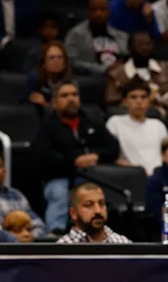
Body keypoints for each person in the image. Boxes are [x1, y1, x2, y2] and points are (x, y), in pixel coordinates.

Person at [33, 80, 120, 232]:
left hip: (93, 176)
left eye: (74, 94)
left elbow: (113, 148)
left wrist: (96, 157)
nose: (71, 99)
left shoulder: (92, 123)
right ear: (54, 102)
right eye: (65, 95)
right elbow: (43, 156)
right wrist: (74, 161)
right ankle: (55, 233)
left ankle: (106, 233)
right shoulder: (47, 127)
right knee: (59, 192)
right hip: (60, 176)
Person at [0, 148, 45, 240]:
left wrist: (28, 235)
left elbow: (39, 226)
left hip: (22, 249)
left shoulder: (16, 195)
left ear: (4, 172)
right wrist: (10, 238)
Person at [105, 31, 168, 110]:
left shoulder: (167, 67)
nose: (145, 47)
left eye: (148, 44)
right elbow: (111, 100)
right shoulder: (117, 73)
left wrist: (163, 104)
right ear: (130, 47)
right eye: (140, 44)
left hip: (167, 111)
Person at [106, 80, 168, 174]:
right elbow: (112, 155)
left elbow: (167, 154)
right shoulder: (115, 122)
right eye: (133, 97)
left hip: (159, 176)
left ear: (149, 101)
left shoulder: (158, 125)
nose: (139, 101)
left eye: (143, 97)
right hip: (132, 175)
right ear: (125, 101)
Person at [65, 0, 128, 75]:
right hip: (90, 80)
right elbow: (71, 62)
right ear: (88, 12)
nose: (98, 13)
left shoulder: (121, 36)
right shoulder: (76, 34)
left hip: (118, 78)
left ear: (109, 12)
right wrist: (103, 69)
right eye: (94, 10)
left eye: (102, 9)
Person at [56, 182, 132, 243]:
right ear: (73, 213)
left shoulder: (123, 243)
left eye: (101, 203)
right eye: (88, 205)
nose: (98, 211)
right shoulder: (62, 248)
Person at [26, 41, 72, 109]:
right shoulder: (35, 81)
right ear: (44, 64)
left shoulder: (71, 83)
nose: (56, 61)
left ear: (65, 63)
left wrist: (46, 104)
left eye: (60, 57)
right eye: (52, 57)